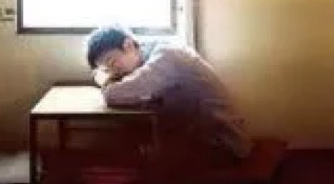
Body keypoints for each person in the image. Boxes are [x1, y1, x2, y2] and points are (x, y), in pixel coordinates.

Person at [85, 25, 252, 170]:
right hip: (202, 137)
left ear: (128, 45)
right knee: (135, 148)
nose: (113, 72)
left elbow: (114, 94)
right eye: (106, 69)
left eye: (112, 62)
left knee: (140, 164)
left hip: (223, 145)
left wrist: (105, 82)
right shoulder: (149, 57)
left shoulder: (167, 56)